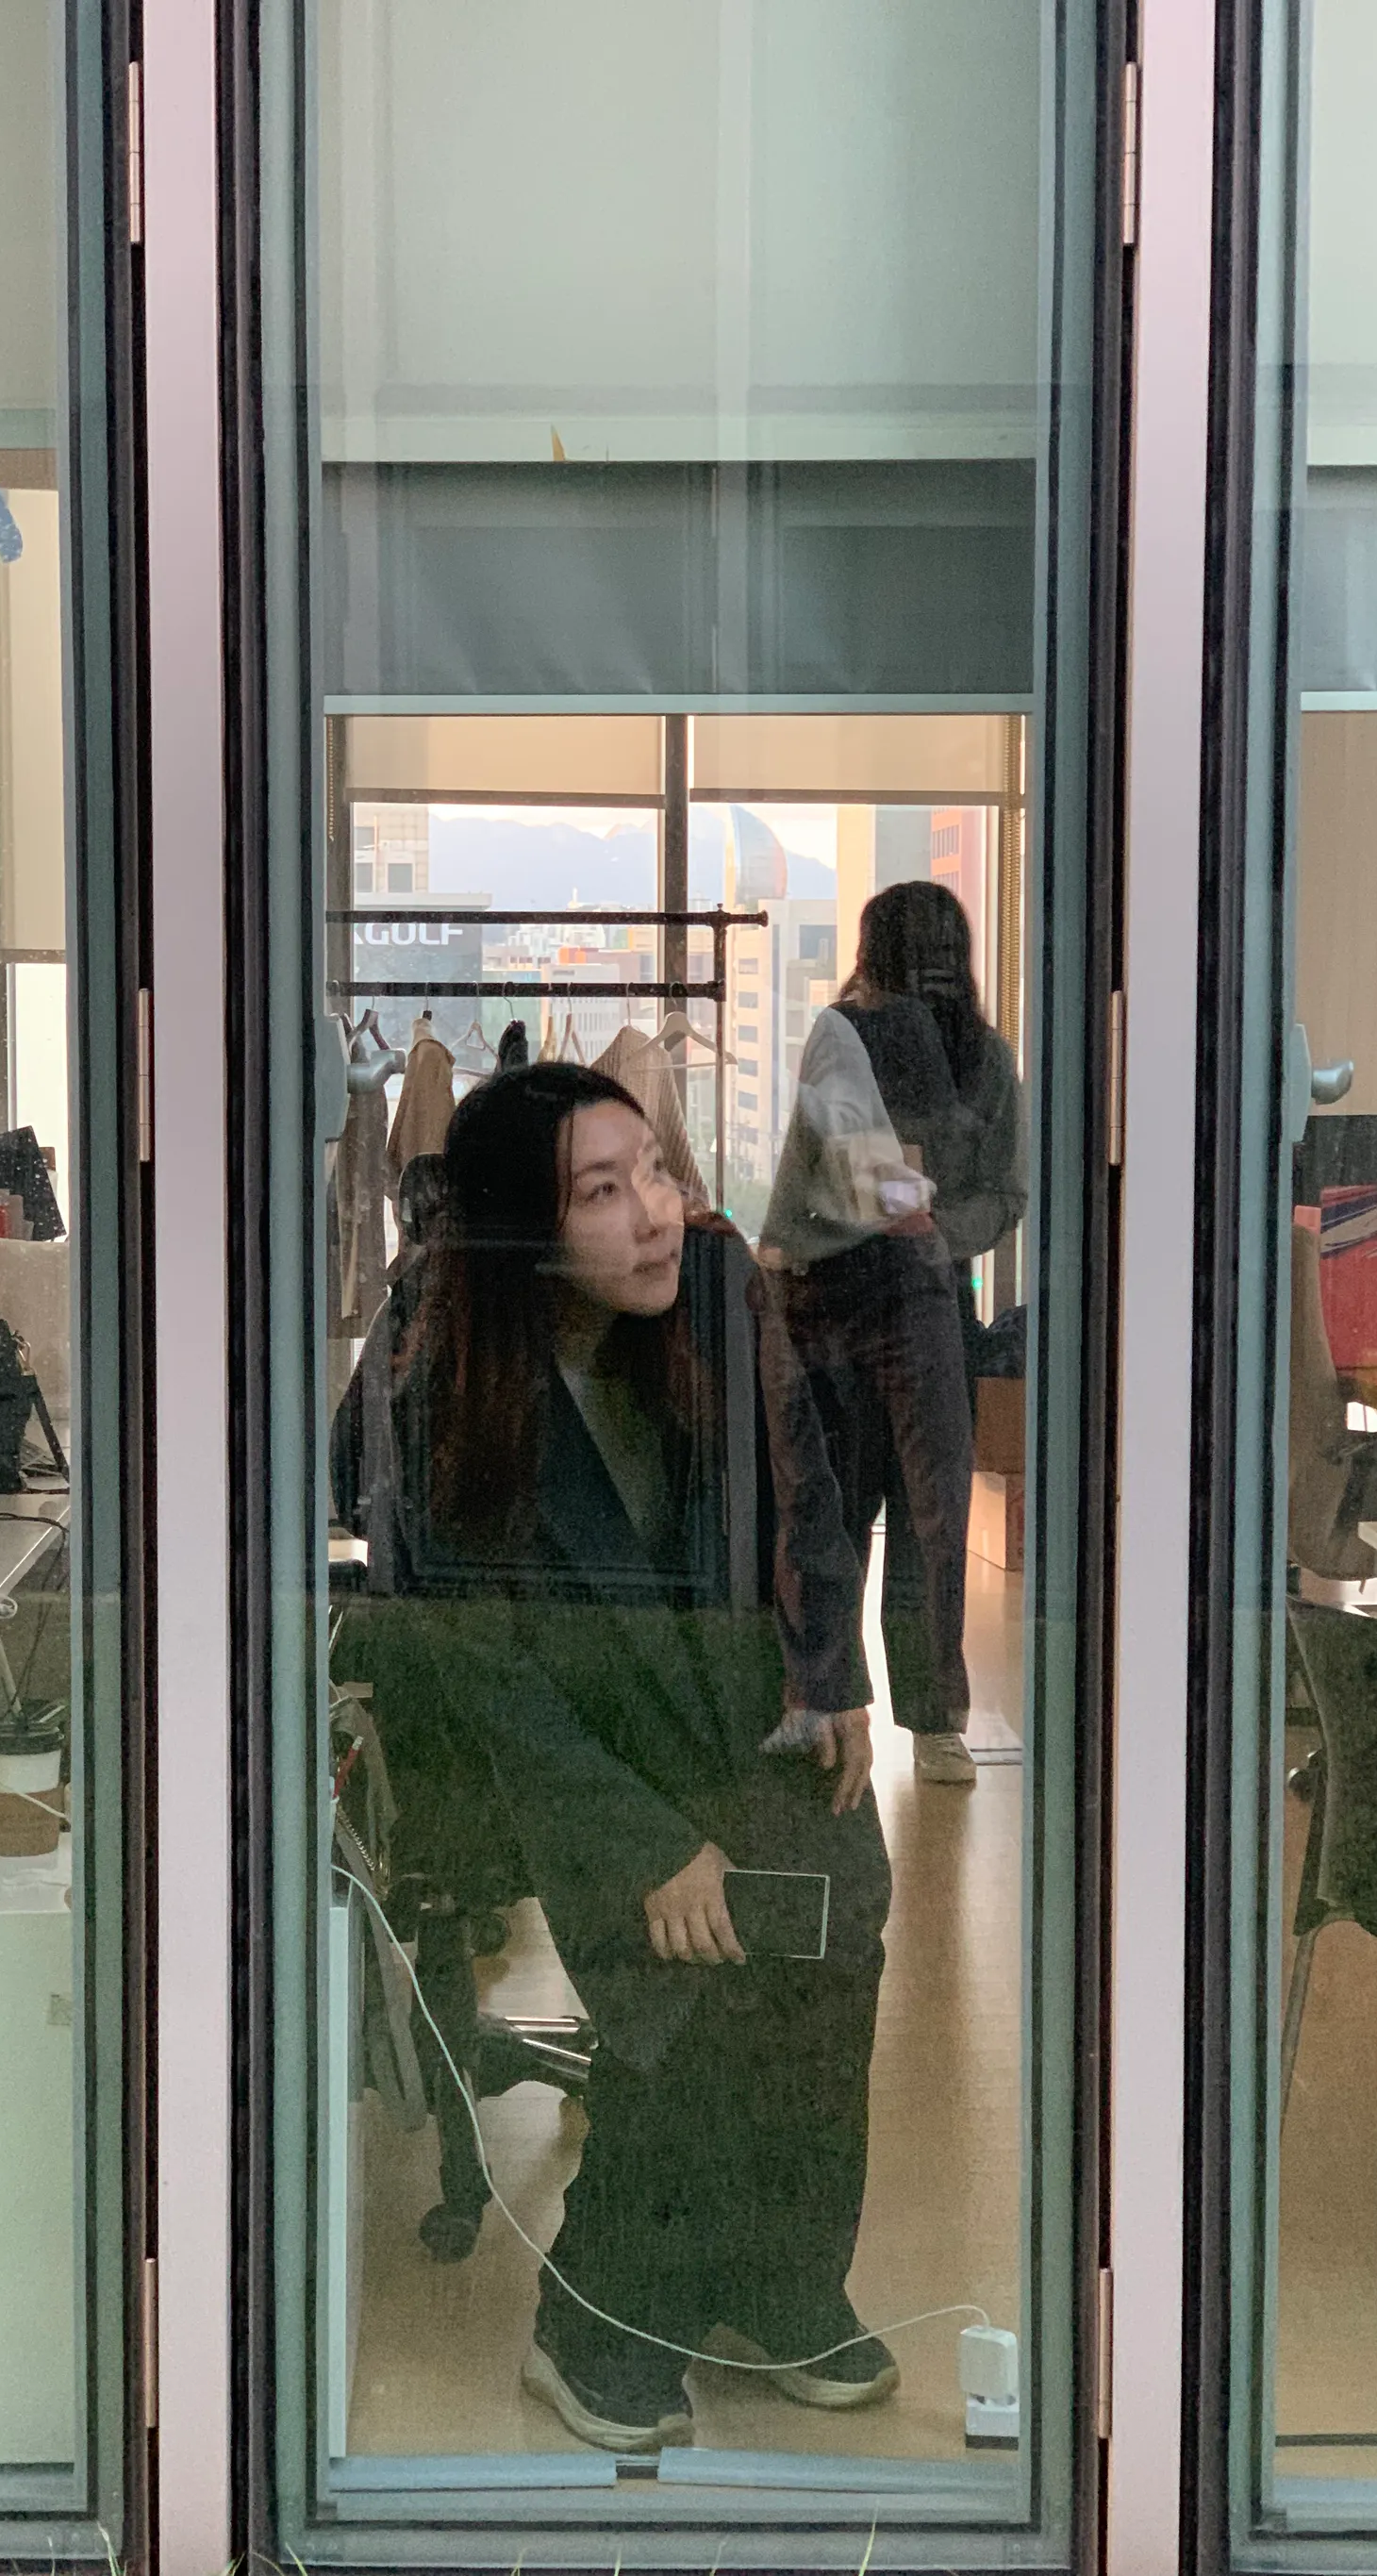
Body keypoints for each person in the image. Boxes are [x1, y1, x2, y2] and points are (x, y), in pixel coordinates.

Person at [346, 1063, 896, 2453]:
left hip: (743, 1702)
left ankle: (778, 2282)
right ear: (521, 1230)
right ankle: (597, 2318)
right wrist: (644, 1844)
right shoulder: (440, 1371)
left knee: (833, 1939)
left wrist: (831, 1671)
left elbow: (807, 1487)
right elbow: (484, 1670)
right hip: (571, 1753)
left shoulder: (712, 1283)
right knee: (686, 2001)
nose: (655, 1211)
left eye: (654, 1168)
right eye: (602, 1190)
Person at [761, 879, 1025, 1787]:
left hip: (919, 1295)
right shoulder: (844, 1036)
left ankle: (930, 1716)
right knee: (837, 1506)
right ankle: (831, 1701)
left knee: (928, 1512)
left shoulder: (984, 1061)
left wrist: (932, 1232)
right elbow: (811, 1170)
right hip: (832, 1294)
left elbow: (1006, 1191)